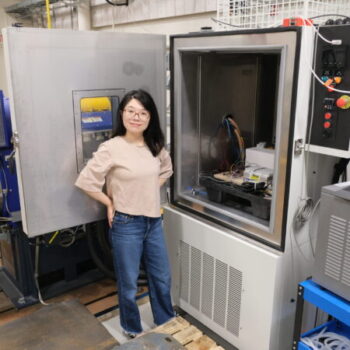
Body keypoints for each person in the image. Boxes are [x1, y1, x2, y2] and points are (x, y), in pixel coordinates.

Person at [75, 89, 175, 338]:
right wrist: (109, 203)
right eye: (131, 111)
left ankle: (165, 321)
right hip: (126, 224)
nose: (136, 117)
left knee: (161, 278)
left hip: (153, 221)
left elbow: (166, 170)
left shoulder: (154, 146)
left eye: (142, 113)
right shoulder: (111, 147)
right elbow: (86, 181)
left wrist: (148, 190)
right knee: (129, 284)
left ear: (150, 117)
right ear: (122, 114)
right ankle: (132, 328)